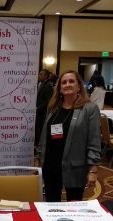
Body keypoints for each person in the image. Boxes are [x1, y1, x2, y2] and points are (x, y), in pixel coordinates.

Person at [38, 70, 101, 202]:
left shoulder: (89, 109)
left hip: (74, 167)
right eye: (64, 82)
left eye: (72, 81)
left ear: (79, 86)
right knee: (51, 205)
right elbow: (45, 136)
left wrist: (93, 170)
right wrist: (40, 159)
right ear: (60, 88)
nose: (67, 84)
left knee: (74, 206)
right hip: (51, 165)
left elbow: (94, 141)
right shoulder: (53, 107)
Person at [35, 69, 54, 147]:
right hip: (39, 111)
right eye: (39, 74)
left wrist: (38, 108)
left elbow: (48, 101)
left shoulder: (48, 85)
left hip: (43, 112)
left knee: (40, 129)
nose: (39, 75)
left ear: (46, 76)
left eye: (41, 74)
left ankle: (39, 146)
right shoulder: (41, 84)